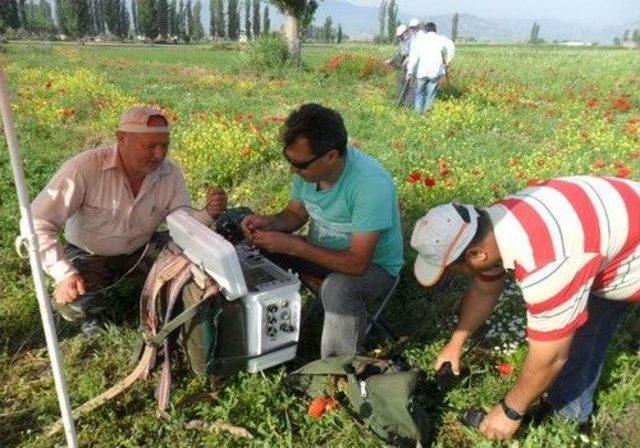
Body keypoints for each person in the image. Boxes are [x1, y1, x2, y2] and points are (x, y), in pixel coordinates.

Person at [410, 176, 639, 440]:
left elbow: (551, 356)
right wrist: (456, 342)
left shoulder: (548, 265)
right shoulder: (494, 224)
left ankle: (570, 420)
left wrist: (510, 410)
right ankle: (571, 411)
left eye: (452, 269)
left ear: (476, 255)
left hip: (629, 247)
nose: (452, 275)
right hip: (617, 219)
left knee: (583, 329)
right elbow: (485, 287)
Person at [28, 106, 227, 335]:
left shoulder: (169, 174)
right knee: (75, 303)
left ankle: (151, 295)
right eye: (150, 146)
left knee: (192, 264)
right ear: (121, 139)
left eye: (164, 145)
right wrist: (64, 274)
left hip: (142, 249)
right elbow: (37, 221)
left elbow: (183, 224)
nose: (159, 155)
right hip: (91, 254)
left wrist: (210, 213)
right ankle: (102, 309)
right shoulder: (85, 168)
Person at [241, 103, 404, 358]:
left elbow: (358, 264)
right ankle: (258, 343)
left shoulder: (370, 185)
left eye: (300, 164)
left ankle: (336, 372)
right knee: (250, 249)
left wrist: (294, 246)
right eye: (289, 160)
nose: (293, 170)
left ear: (331, 156)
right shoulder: (309, 172)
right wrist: (270, 222)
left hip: (375, 268)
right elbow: (295, 214)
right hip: (321, 252)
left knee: (338, 288)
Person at [406, 22, 455, 113]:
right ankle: (427, 115)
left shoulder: (420, 40)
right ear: (435, 30)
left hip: (421, 72)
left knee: (419, 94)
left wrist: (409, 71)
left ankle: (417, 116)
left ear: (425, 30)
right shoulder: (440, 39)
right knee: (430, 95)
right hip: (434, 72)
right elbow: (451, 46)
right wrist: (447, 61)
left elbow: (413, 57)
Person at [386, 24, 413, 107]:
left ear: (405, 32)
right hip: (404, 64)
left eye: (401, 35)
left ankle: (407, 105)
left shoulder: (412, 40)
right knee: (403, 83)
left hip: (411, 64)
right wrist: (390, 60)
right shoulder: (402, 41)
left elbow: (414, 53)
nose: (400, 37)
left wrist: (408, 58)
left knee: (409, 85)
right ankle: (401, 103)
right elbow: (399, 53)